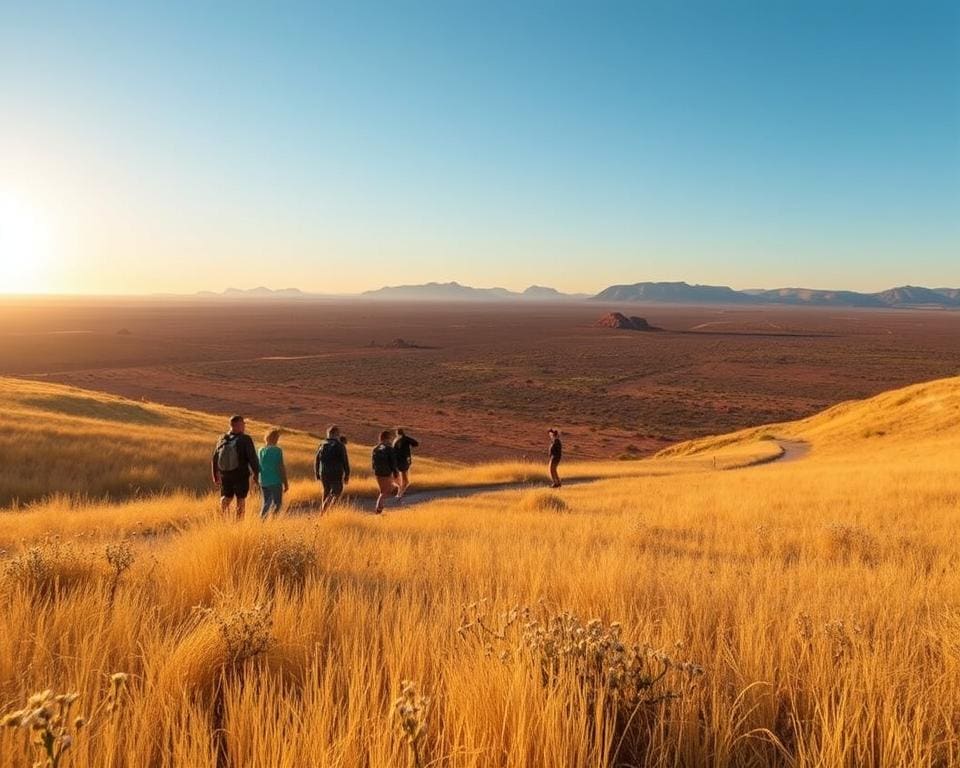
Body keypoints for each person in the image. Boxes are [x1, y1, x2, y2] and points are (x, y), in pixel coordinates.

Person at [212, 415, 261, 519]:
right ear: (238, 425)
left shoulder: (222, 438)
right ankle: (239, 522)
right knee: (241, 498)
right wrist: (257, 473)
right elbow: (252, 458)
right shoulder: (245, 439)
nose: (244, 426)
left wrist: (215, 475)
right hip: (240, 474)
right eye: (243, 424)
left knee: (227, 496)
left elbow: (215, 458)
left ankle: (222, 517)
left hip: (225, 474)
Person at [315, 425, 350, 513]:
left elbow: (317, 460)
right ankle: (326, 509)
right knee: (336, 491)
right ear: (336, 434)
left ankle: (323, 512)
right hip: (336, 473)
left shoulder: (321, 444)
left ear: (328, 434)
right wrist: (347, 474)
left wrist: (317, 473)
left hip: (323, 472)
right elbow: (345, 461)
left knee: (326, 491)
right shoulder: (340, 445)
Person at [258, 428, 289, 519]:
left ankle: (263, 519)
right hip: (275, 480)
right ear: (275, 438)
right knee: (277, 504)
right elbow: (280, 467)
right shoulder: (277, 450)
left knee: (266, 501)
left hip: (263, 480)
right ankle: (271, 520)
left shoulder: (261, 450)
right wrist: (285, 483)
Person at [371, 429, 400, 514]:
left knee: (384, 491)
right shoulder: (389, 448)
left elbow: (373, 462)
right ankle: (378, 509)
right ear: (388, 438)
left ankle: (380, 508)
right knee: (385, 492)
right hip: (386, 472)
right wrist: (395, 473)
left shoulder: (375, 448)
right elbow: (393, 463)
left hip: (378, 473)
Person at [392, 428, 420, 498]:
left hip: (396, 461)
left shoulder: (395, 440)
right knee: (406, 481)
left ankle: (399, 493)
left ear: (397, 433)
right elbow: (416, 443)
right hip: (404, 461)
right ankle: (400, 494)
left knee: (401, 478)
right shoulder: (405, 439)